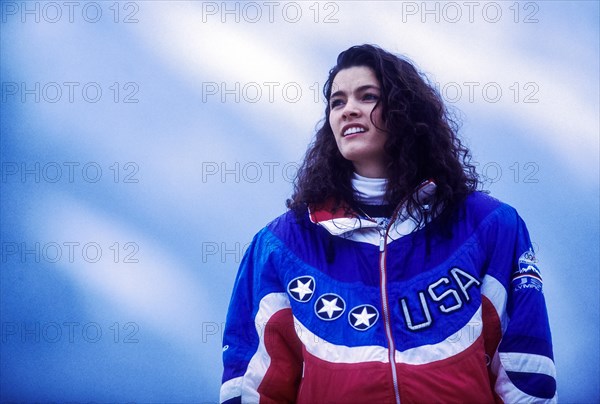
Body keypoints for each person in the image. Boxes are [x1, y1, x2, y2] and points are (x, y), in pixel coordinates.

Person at [219, 44, 556, 403]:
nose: (348, 110)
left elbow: (525, 368)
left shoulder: (489, 226)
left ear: (405, 112)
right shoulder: (281, 246)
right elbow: (250, 384)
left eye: (367, 97)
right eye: (337, 102)